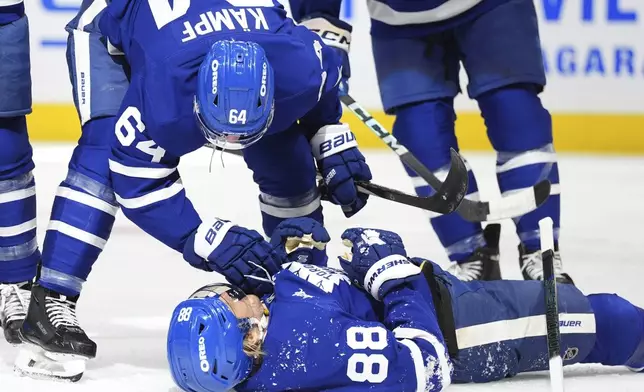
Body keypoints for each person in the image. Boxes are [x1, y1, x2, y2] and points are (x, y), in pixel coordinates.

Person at [14, 0, 373, 381]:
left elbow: (323, 86)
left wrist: (327, 134)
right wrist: (202, 238)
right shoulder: (165, 88)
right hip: (114, 31)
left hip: (219, 45)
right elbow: (135, 178)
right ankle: (51, 301)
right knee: (102, 159)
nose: (229, 143)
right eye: (219, 133)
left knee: (289, 159)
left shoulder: (302, 66)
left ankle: (305, 292)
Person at [167, 217, 644, 392]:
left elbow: (318, 300)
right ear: (246, 341)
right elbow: (424, 368)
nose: (236, 293)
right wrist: (393, 277)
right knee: (602, 318)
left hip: (447, 303)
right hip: (461, 330)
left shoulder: (273, 338)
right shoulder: (311, 349)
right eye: (231, 303)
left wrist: (303, 255)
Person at [287, 0, 572, 283]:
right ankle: (472, 258)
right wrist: (319, 19)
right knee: (421, 135)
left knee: (516, 113)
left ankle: (541, 251)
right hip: (400, 20)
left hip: (492, 7)